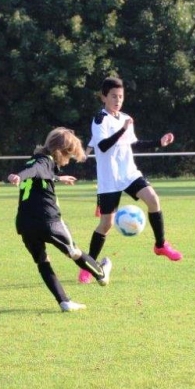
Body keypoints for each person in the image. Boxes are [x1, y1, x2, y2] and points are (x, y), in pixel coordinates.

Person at [78, 77, 182, 284]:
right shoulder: (100, 119)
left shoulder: (125, 118)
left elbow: (134, 143)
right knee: (106, 224)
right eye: (113, 96)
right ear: (103, 97)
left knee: (153, 199)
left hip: (129, 173)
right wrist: (122, 129)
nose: (118, 100)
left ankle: (160, 245)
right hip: (109, 179)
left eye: (121, 97)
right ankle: (88, 266)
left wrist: (159, 142)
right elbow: (103, 146)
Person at [7, 127, 113, 312]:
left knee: (42, 261)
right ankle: (101, 274)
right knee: (74, 252)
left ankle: (64, 302)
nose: (68, 160)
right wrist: (19, 176)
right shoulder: (44, 162)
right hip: (48, 221)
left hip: (24, 223)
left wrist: (57, 178)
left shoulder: (37, 159)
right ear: (61, 151)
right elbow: (34, 171)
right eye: (69, 155)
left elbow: (38, 173)